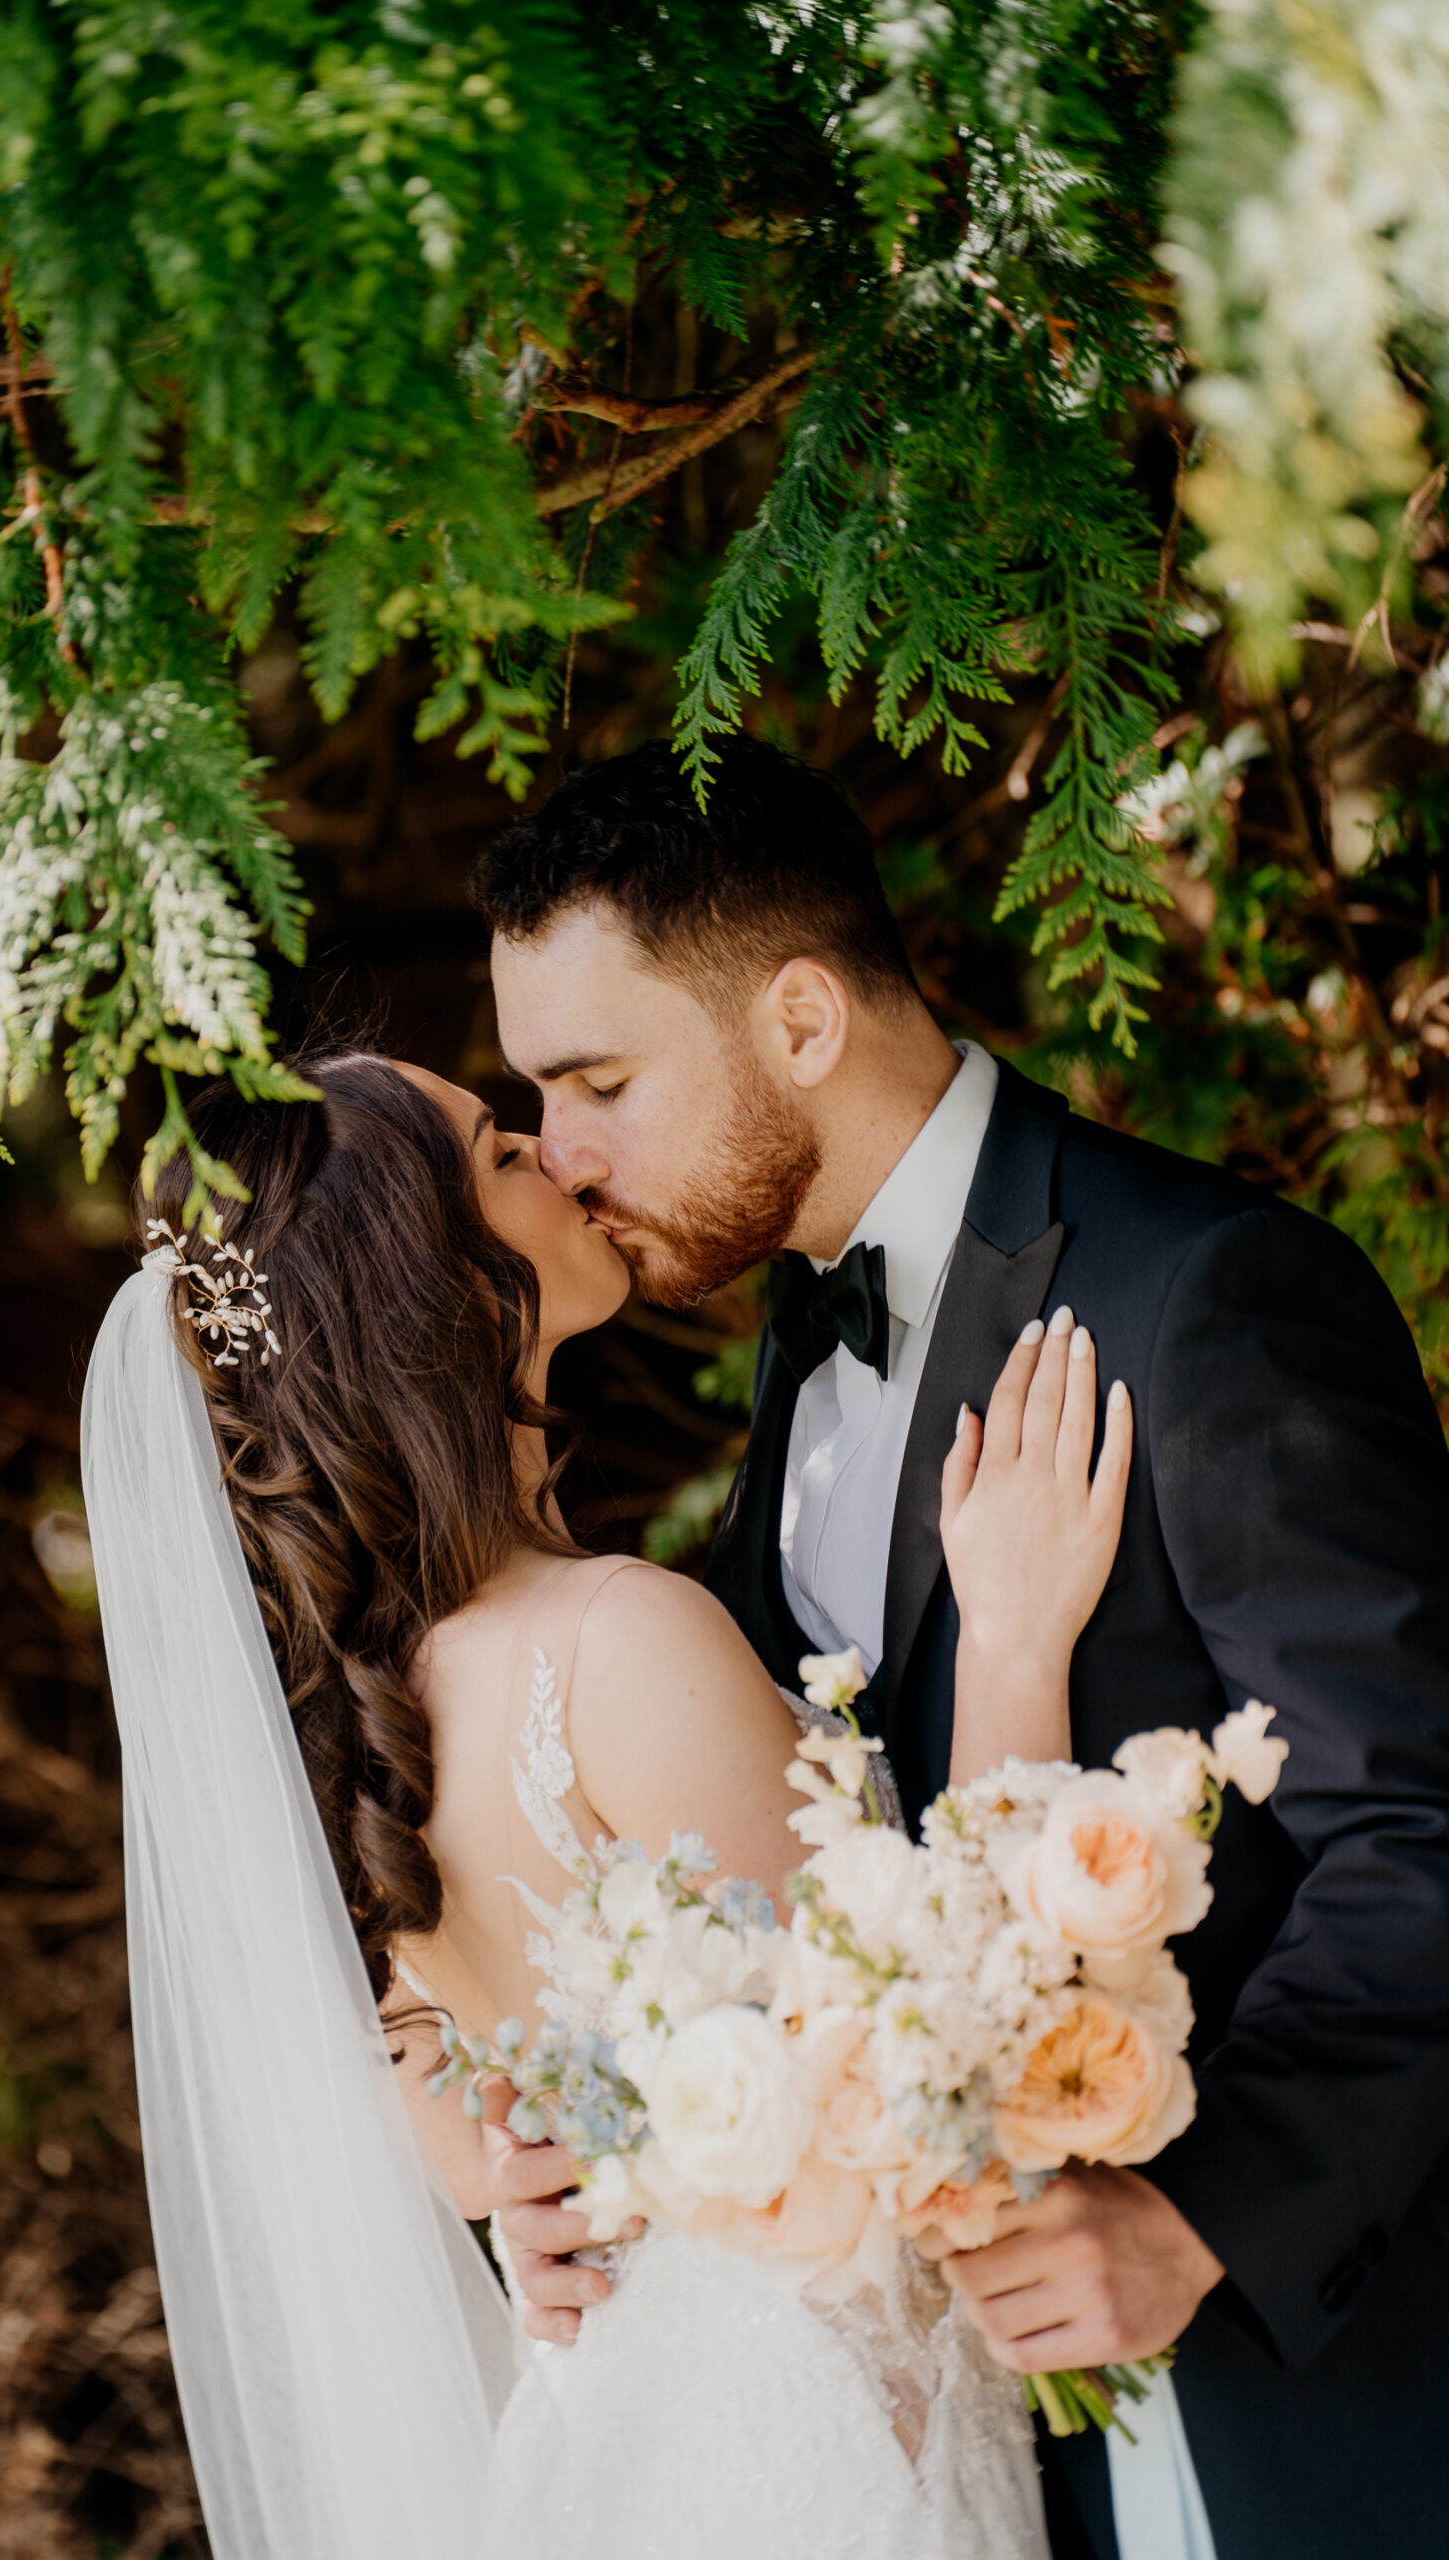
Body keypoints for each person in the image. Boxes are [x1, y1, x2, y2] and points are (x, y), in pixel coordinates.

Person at [466, 736, 1449, 2560]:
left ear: (805, 1022)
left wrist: (1204, 2218)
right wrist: (606, 2167)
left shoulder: (1205, 1297)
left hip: (1309, 2416)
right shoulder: (804, 1353)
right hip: (979, 2439)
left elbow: (1423, 1832)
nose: (562, 1154)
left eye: (597, 1079)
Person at [83, 1044, 1132, 2560]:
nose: (565, 1158)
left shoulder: (367, 1718)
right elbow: (937, 2080)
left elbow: (431, 2038)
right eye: (503, 1151)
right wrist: (1022, 1649)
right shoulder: (614, 1643)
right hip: (825, 2462)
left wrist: (489, 2155)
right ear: (423, 1279)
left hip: (637, 2442)